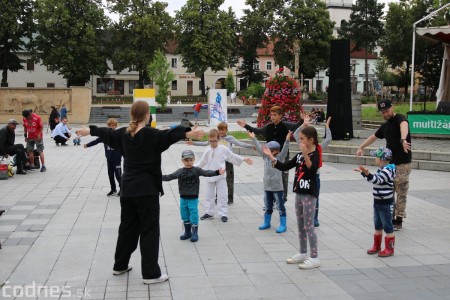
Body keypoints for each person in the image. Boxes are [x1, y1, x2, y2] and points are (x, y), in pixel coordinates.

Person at [75, 100, 205, 285]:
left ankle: (120, 265)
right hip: (146, 190)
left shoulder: (123, 134)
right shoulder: (151, 134)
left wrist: (89, 130)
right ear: (147, 116)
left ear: (132, 115)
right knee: (149, 230)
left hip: (127, 189)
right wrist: (186, 132)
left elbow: (107, 133)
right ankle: (151, 274)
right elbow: (168, 135)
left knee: (127, 228)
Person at [263, 126, 320, 269]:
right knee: (300, 225)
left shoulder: (314, 154)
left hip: (309, 194)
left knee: (309, 226)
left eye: (302, 139)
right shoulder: (300, 155)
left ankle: (314, 257)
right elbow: (285, 166)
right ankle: (302, 252)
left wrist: (306, 154)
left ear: (311, 140)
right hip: (299, 193)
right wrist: (271, 157)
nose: (299, 141)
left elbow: (312, 170)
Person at [356, 99, 411, 231]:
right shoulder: (385, 126)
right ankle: (390, 216)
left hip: (403, 163)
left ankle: (398, 219)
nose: (385, 114)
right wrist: (361, 146)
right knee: (389, 191)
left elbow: (404, 125)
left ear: (392, 107)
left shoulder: (399, 118)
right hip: (390, 164)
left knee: (401, 192)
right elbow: (373, 137)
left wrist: (403, 139)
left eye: (386, 111)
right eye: (382, 112)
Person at [237, 106, 304, 202]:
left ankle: (282, 197)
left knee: (283, 176)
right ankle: (271, 197)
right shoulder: (269, 127)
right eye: (271, 115)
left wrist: (301, 120)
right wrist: (245, 126)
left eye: (275, 115)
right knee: (271, 175)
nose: (272, 117)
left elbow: (296, 126)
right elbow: (257, 131)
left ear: (280, 116)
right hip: (270, 156)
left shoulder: (285, 125)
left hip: (282, 155)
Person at [162, 149, 224, 242]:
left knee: (193, 215)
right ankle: (187, 232)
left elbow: (206, 173)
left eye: (191, 160)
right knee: (184, 215)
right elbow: (169, 177)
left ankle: (195, 233)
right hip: (183, 198)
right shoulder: (179, 171)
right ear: (182, 161)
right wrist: (156, 177)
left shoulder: (197, 170)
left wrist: (217, 172)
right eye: (186, 160)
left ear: (194, 160)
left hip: (193, 199)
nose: (189, 162)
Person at [187, 122, 254, 204]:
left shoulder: (230, 138)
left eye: (223, 130)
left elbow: (240, 143)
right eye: (219, 130)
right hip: (218, 162)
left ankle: (230, 198)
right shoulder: (215, 138)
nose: (221, 131)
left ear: (226, 130)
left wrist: (251, 146)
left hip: (228, 161)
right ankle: (217, 197)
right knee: (217, 179)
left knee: (229, 180)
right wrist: (193, 143)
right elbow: (205, 143)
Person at [195, 129, 253, 222]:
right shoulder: (207, 151)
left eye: (214, 141)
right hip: (209, 176)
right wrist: (191, 168)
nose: (213, 143)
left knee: (222, 195)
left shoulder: (223, 149)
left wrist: (244, 159)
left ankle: (223, 213)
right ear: (208, 140)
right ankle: (209, 212)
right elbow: (201, 162)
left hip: (221, 176)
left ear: (218, 139)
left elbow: (232, 156)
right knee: (209, 195)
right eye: (211, 141)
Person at [354, 146, 396, 257]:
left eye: (376, 157)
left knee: (388, 226)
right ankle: (377, 246)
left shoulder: (388, 170)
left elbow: (377, 180)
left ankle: (389, 248)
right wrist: (365, 174)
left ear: (381, 159)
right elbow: (374, 180)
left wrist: (367, 174)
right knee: (377, 225)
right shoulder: (382, 170)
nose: (375, 159)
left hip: (385, 203)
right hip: (378, 202)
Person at [294, 115, 332, 227]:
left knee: (315, 196)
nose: (301, 140)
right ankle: (305, 216)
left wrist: (327, 126)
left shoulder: (318, 148)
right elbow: (296, 134)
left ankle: (314, 217)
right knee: (302, 197)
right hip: (303, 176)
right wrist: (304, 124)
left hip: (314, 176)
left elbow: (328, 139)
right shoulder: (302, 145)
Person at [249, 130, 290, 233]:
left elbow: (285, 150)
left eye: (269, 150)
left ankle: (283, 225)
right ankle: (267, 223)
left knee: (280, 207)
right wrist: (254, 138)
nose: (266, 152)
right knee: (268, 206)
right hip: (267, 187)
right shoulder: (265, 158)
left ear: (275, 151)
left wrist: (287, 140)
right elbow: (259, 148)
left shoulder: (280, 158)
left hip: (277, 188)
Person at [84, 118, 122, 197]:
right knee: (110, 174)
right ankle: (113, 189)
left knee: (118, 175)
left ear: (115, 126)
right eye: (108, 125)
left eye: (111, 126)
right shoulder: (105, 136)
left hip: (116, 159)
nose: (109, 127)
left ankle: (122, 189)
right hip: (109, 158)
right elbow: (97, 140)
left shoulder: (118, 135)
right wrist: (88, 145)